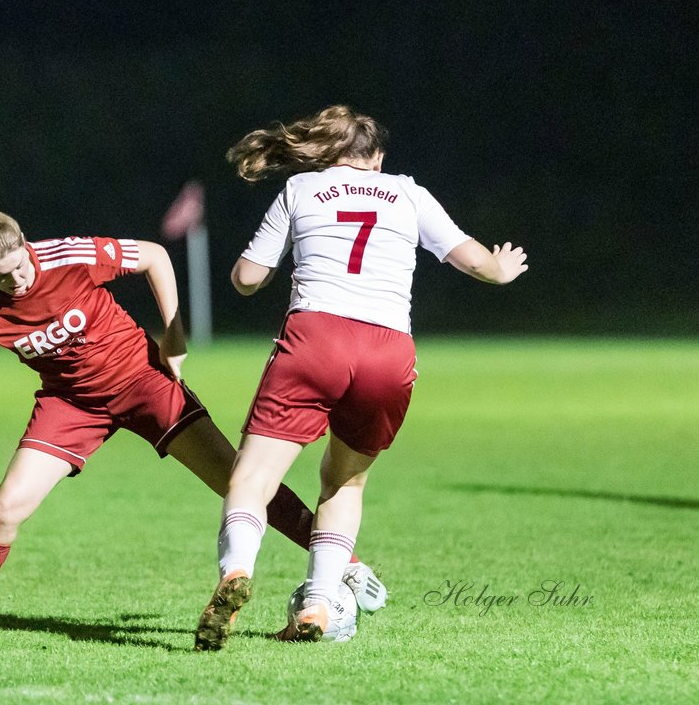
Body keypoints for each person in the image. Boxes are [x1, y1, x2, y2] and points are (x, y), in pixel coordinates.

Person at [0, 203, 387, 636]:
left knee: (242, 481)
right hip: (71, 405)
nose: (18, 280)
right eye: (2, 275)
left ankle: (345, 564)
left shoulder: (68, 257)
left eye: (20, 265)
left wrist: (174, 331)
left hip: (144, 380)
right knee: (4, 508)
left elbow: (154, 255)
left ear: (25, 246)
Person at [194, 105, 529, 649]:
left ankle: (237, 570)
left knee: (252, 479)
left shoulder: (302, 188)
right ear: (376, 158)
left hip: (315, 340)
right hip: (387, 351)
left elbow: (248, 279)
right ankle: (321, 604)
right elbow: (474, 261)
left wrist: (250, 270)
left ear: (326, 153)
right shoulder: (408, 192)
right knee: (344, 481)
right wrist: (501, 268)